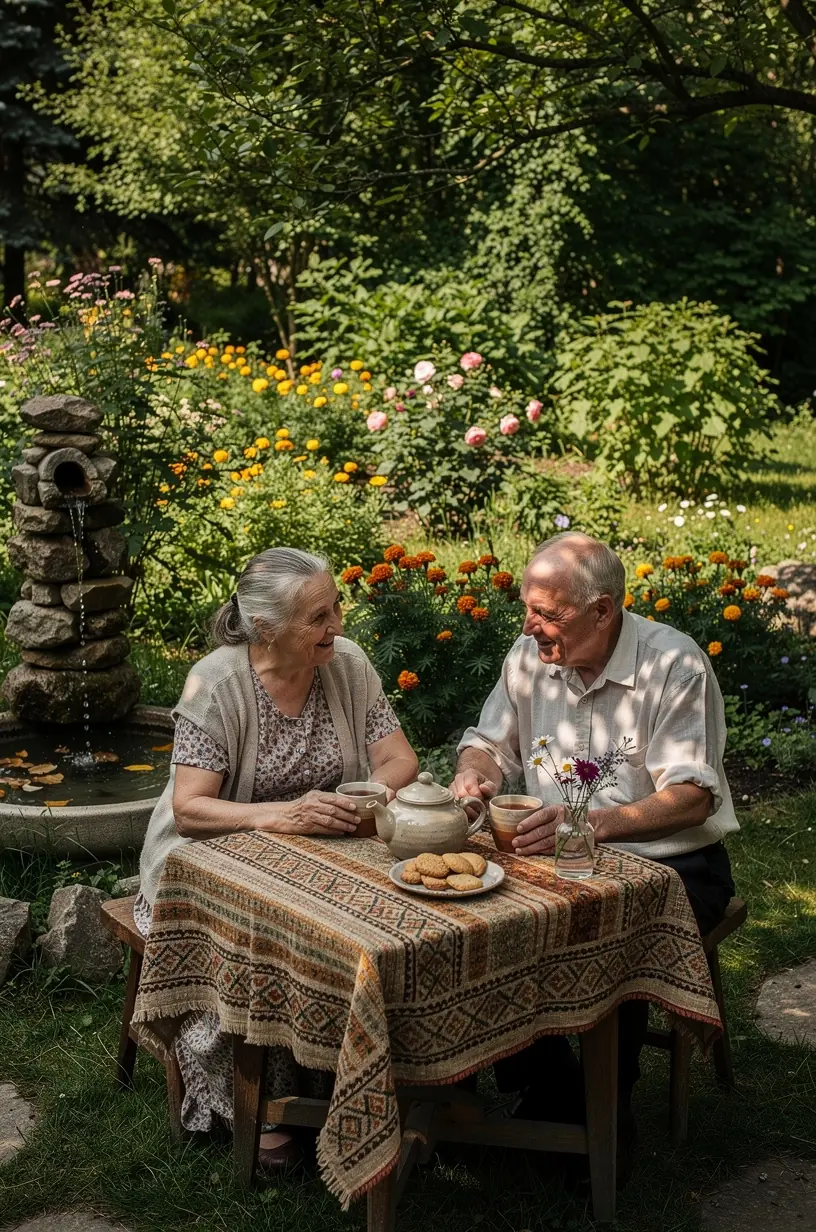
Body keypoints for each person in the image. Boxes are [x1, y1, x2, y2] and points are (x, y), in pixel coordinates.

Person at [452, 531, 737, 1170]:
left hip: (669, 860)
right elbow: (486, 742)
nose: (530, 627)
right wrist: (477, 773)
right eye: (528, 608)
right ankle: (546, 1083)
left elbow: (693, 796)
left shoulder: (673, 665)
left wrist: (593, 826)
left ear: (603, 610)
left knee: (618, 927)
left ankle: (610, 1102)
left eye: (548, 614)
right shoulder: (529, 656)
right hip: (552, 850)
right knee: (479, 917)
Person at [136, 547, 418, 1168]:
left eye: (336, 606)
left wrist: (362, 799)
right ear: (266, 628)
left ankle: (368, 1080)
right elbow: (192, 808)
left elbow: (400, 761)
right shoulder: (217, 683)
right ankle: (248, 1100)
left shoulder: (347, 665)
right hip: (207, 859)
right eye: (318, 617)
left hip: (323, 847)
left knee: (385, 930)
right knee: (253, 935)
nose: (337, 625)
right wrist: (282, 815)